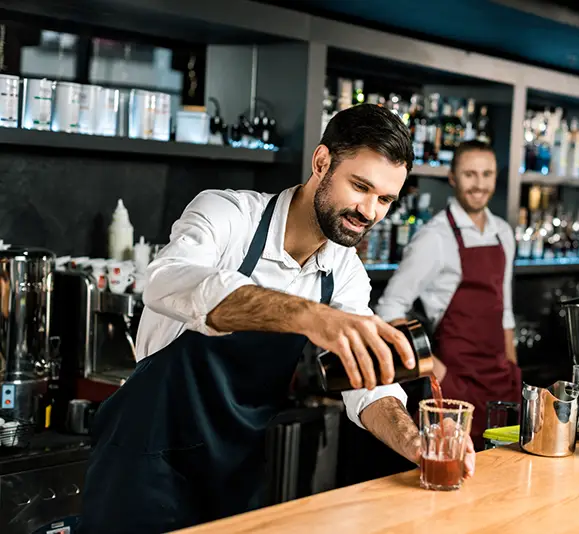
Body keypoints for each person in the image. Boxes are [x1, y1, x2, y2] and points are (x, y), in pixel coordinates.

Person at [79, 104, 475, 533]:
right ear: (321, 162)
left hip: (235, 471)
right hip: (143, 461)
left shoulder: (345, 273)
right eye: (360, 186)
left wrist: (415, 441)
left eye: (385, 199)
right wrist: (310, 316)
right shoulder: (228, 216)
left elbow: (369, 388)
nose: (370, 211)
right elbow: (164, 281)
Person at [376, 140, 520, 448]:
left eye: (487, 174)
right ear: (452, 177)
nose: (479, 184)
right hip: (455, 382)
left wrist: (512, 369)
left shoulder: (503, 233)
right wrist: (435, 370)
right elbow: (390, 308)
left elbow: (504, 311)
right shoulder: (434, 237)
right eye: (470, 174)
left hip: (499, 380)